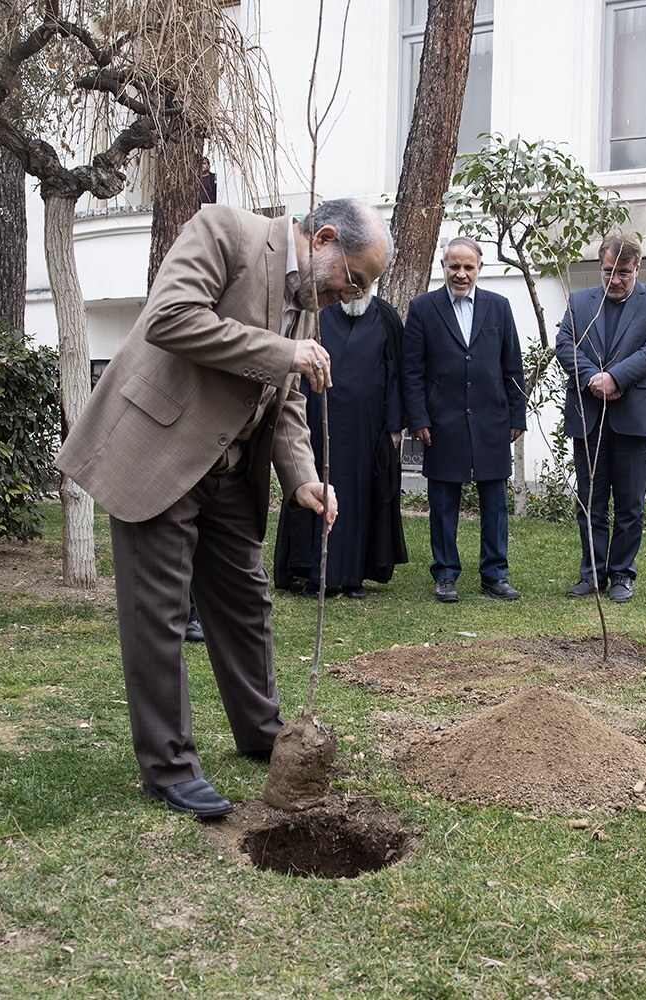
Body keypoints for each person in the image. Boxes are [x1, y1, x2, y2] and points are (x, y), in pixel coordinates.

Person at [56, 198, 391, 819]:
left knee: (246, 604)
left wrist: (304, 480)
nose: (352, 295)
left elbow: (287, 404)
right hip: (161, 450)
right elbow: (170, 318)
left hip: (233, 477)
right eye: (357, 278)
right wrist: (280, 352)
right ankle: (169, 766)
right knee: (157, 615)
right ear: (323, 239)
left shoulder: (308, 307)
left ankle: (262, 730)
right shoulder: (225, 232)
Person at [402, 236, 527, 603]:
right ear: (443, 267)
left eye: (468, 267)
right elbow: (412, 371)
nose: (461, 274)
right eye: (454, 267)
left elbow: (512, 366)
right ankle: (444, 574)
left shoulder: (499, 308)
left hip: (492, 419)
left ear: (479, 269)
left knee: (495, 503)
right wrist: (418, 418)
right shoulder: (423, 308)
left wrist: (517, 414)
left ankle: (495, 574)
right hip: (442, 421)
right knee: (442, 503)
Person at [554, 231, 646, 604]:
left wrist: (616, 378)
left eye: (623, 272)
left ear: (638, 267)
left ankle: (622, 573)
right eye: (608, 272)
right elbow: (563, 344)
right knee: (590, 503)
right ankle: (592, 574)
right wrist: (594, 378)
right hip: (589, 416)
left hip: (634, 418)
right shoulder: (578, 301)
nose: (615, 280)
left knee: (630, 504)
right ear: (600, 267)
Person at [274, 291, 408, 598]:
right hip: (318, 420)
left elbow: (395, 374)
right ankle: (312, 572)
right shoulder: (316, 314)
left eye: (365, 282)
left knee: (359, 497)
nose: (358, 289)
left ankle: (354, 575)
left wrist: (393, 426)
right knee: (315, 489)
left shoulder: (385, 316)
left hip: (367, 427)